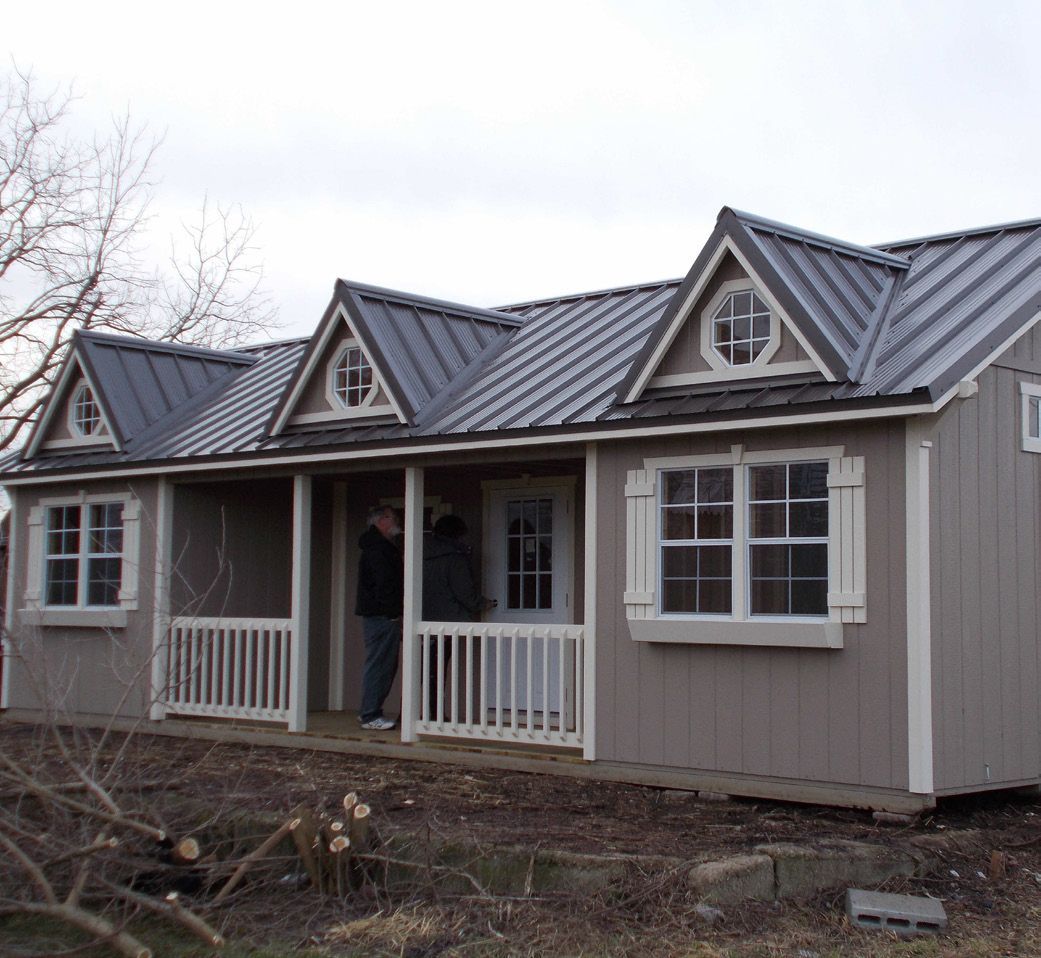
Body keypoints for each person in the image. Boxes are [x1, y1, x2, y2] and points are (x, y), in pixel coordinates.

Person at [423, 515, 495, 717]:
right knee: (437, 670)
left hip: (422, 621)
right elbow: (465, 593)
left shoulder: (421, 554)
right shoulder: (454, 557)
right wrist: (484, 603)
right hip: (447, 623)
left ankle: (411, 712)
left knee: (425, 669)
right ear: (457, 534)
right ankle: (435, 715)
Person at [355, 505, 404, 730]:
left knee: (381, 664)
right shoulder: (379, 549)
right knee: (380, 665)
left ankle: (369, 711)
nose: (397, 523)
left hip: (379, 614)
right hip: (381, 615)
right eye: (394, 518)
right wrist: (393, 613)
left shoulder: (378, 546)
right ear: (382, 520)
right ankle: (370, 715)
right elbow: (384, 583)